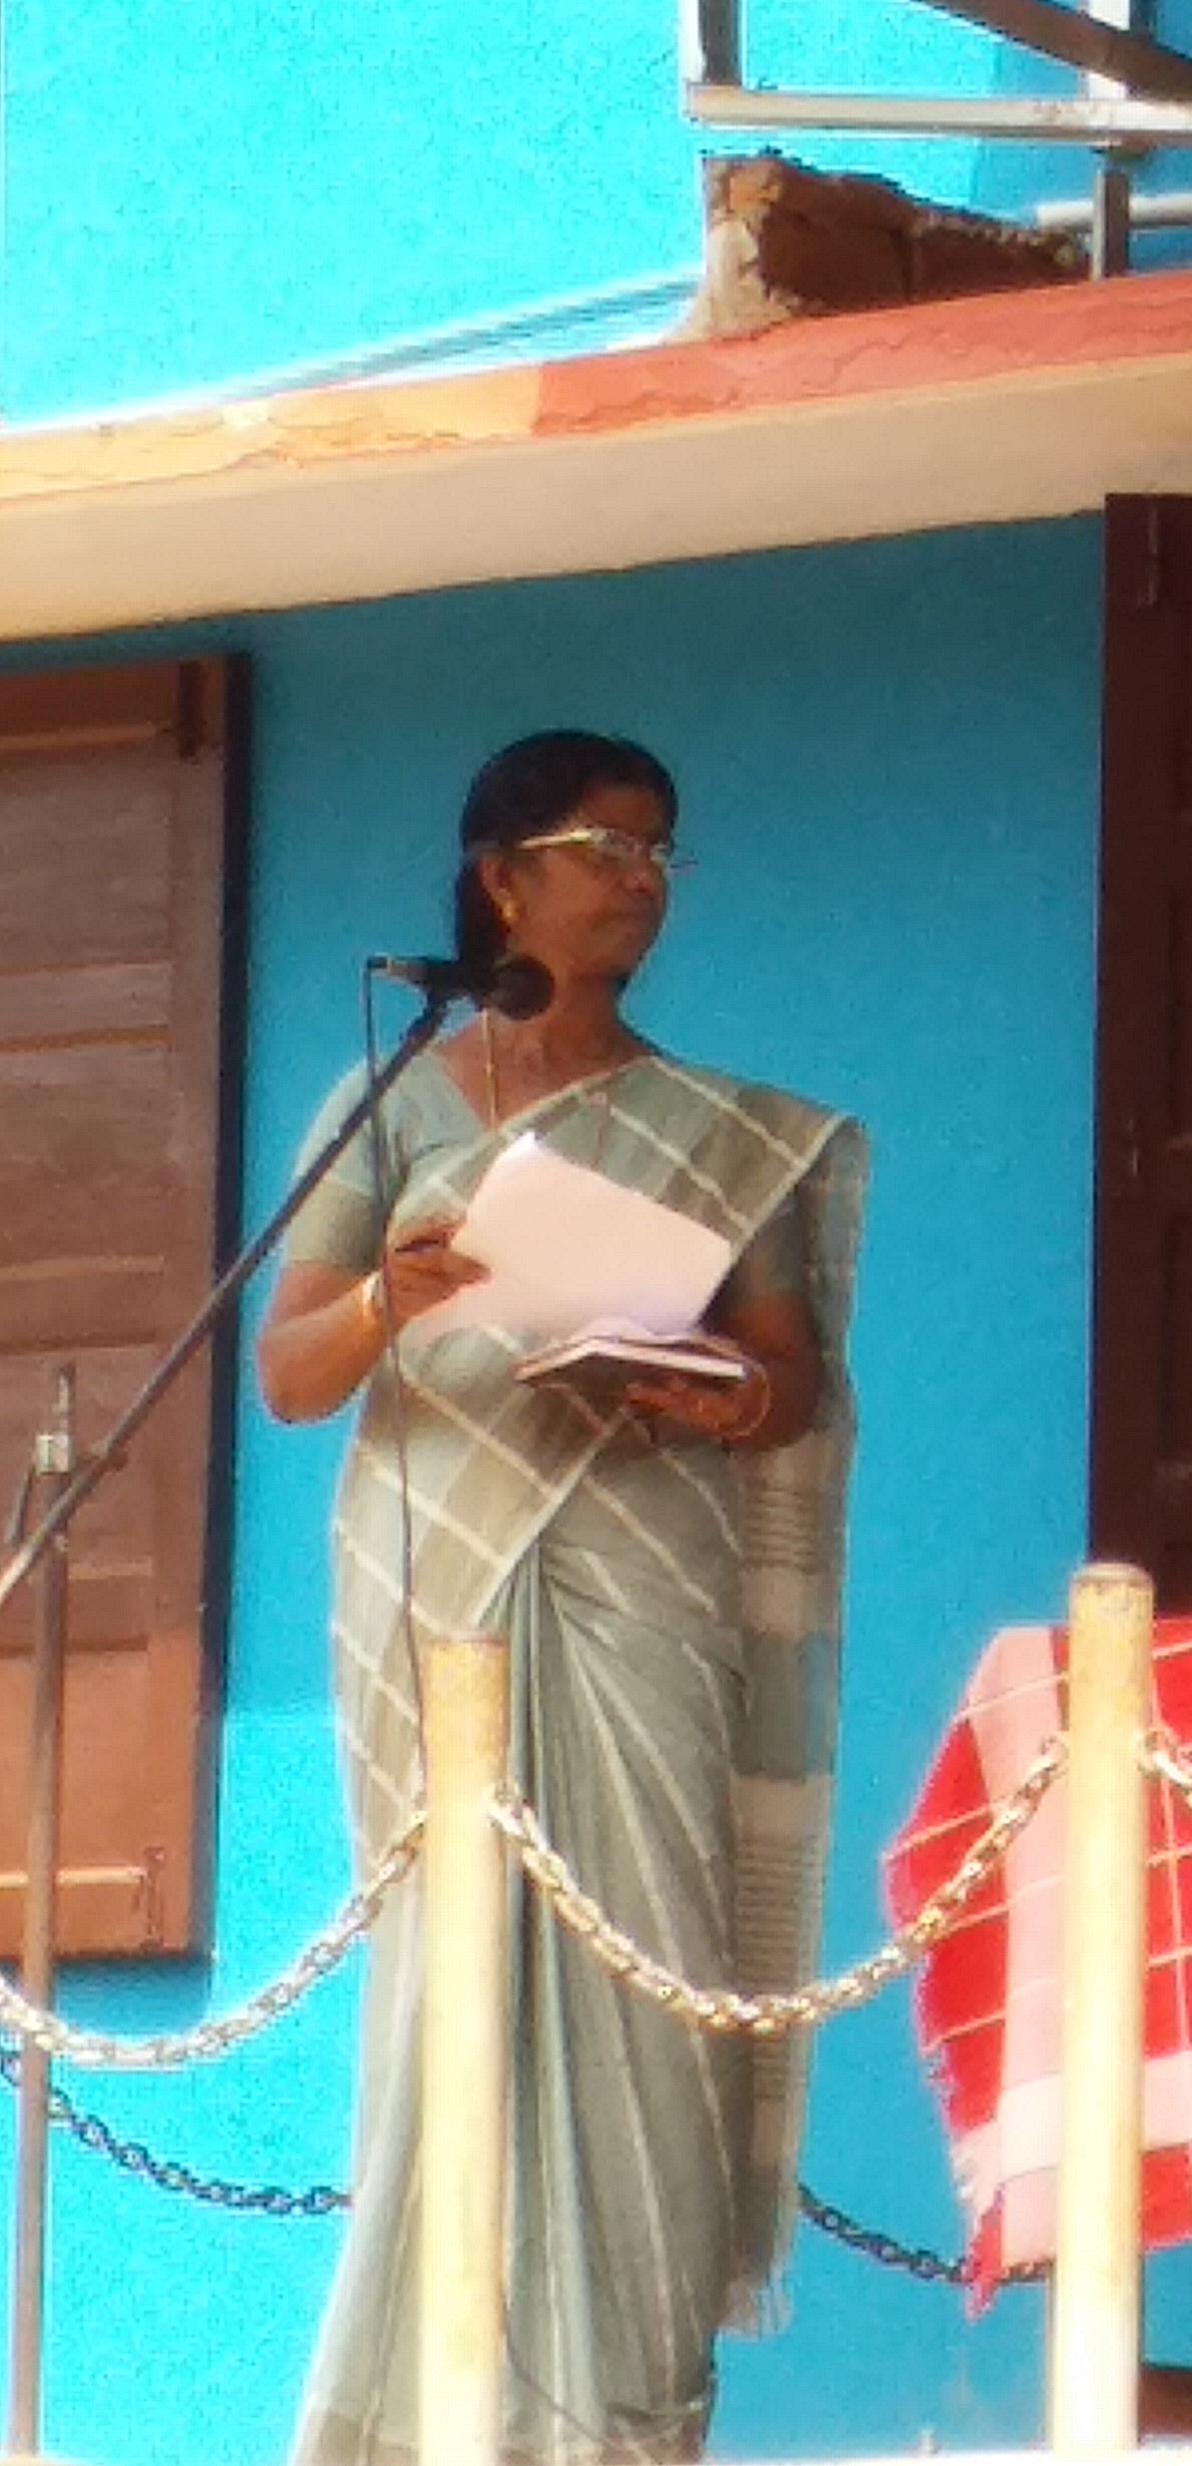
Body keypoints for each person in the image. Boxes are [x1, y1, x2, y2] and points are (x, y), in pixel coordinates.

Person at [257, 731, 865, 2466]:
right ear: (501, 879)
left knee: (648, 1989)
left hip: (642, 1584)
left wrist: (715, 1395)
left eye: (662, 852)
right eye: (608, 848)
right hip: (438, 1592)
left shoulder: (719, 1133)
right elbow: (290, 1372)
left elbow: (789, 1381)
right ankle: (420, 2421)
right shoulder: (391, 1098)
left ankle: (626, 2426)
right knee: (448, 1994)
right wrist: (389, 1297)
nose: (643, 881)